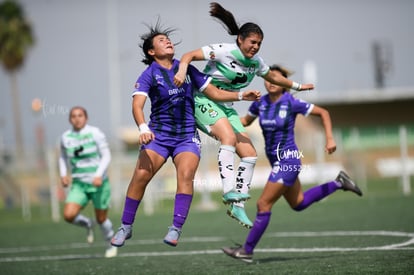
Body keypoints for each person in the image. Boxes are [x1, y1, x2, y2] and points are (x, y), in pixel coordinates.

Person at [110, 20, 260, 248]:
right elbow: (137, 105)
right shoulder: (149, 74)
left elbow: (215, 93)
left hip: (186, 136)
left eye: (168, 39)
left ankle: (175, 228)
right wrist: (142, 128)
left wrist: (241, 96)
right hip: (159, 136)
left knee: (186, 176)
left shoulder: (187, 68)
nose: (167, 41)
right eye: (161, 40)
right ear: (152, 51)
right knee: (141, 176)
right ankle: (125, 226)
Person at [173, 2, 315, 229]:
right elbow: (188, 55)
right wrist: (181, 71)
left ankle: (238, 204)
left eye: (259, 43)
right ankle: (228, 190)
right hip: (202, 99)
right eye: (253, 42)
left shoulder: (256, 63)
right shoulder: (223, 50)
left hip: (226, 106)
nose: (256, 47)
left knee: (249, 153)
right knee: (228, 139)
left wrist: (298, 86)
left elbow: (275, 78)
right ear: (240, 39)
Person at [221, 65, 363, 263]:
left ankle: (247, 250)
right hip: (276, 162)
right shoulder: (260, 103)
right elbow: (244, 121)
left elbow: (324, 113)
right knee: (298, 203)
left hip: (288, 160)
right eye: (268, 78)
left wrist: (329, 138)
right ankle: (339, 183)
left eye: (276, 78)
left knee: (263, 204)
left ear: (284, 83)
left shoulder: (292, 102)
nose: (270, 81)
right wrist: (221, 120)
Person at [59, 106, 117, 258]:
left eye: (80, 115)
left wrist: (98, 175)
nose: (77, 119)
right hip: (79, 184)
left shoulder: (95, 133)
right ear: (69, 119)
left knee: (101, 218)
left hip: (99, 184)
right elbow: (63, 157)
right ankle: (88, 224)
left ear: (86, 118)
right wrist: (63, 174)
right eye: (73, 116)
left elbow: (106, 155)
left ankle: (111, 243)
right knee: (68, 215)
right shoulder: (66, 137)